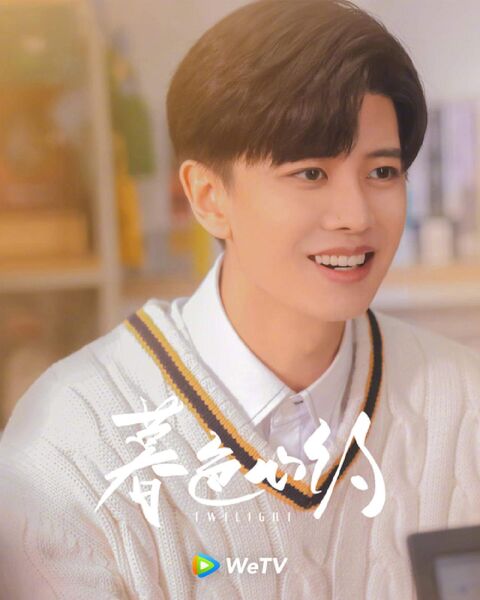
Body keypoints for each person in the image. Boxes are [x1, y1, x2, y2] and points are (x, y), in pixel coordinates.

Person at [1, 1, 479, 598]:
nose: (356, 216)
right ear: (208, 197)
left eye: (381, 172)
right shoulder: (70, 449)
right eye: (310, 173)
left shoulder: (466, 403)